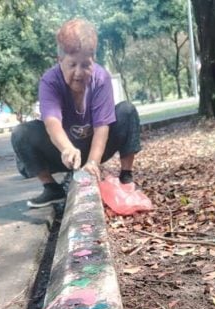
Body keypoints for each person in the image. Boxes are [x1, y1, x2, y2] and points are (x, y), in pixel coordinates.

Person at [11, 18, 141, 209]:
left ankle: (126, 176)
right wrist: (66, 148)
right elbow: (52, 122)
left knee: (127, 111)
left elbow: (102, 126)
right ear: (60, 60)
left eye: (85, 65)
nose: (79, 73)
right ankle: (51, 188)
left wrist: (93, 163)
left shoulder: (101, 78)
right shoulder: (49, 81)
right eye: (72, 65)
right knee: (20, 133)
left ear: (93, 60)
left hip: (95, 146)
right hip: (64, 153)